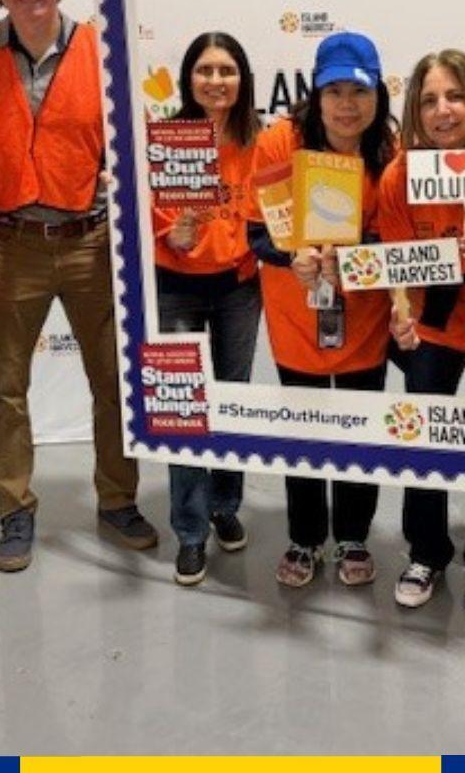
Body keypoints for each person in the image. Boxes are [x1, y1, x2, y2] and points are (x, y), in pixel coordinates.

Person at [0, 0, 156, 573]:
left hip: (92, 241)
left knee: (112, 382)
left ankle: (118, 500)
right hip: (8, 244)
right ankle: (15, 511)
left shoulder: (104, 46)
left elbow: (139, 129)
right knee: (6, 387)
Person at [248, 31, 396, 588]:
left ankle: (354, 533)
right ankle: (305, 536)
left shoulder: (388, 150)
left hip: (364, 322)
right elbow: (256, 233)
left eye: (358, 92)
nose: (346, 105)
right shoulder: (279, 143)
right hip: (297, 320)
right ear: (315, 93)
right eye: (333, 91)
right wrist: (293, 257)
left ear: (378, 94)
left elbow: (394, 243)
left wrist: (354, 260)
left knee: (359, 429)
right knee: (304, 430)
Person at [380, 50, 465, 615]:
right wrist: (399, 313)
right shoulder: (400, 174)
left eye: (456, 96)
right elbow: (394, 258)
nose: (444, 110)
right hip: (435, 327)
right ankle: (427, 551)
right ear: (415, 108)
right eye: (431, 99)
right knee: (426, 432)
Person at [153, 32, 263, 586]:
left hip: (239, 288)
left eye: (227, 70)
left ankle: (225, 503)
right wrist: (171, 234)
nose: (216, 81)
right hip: (176, 286)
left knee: (234, 397)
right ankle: (190, 531)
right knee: (185, 409)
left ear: (242, 79)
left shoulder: (261, 139)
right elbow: (145, 213)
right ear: (188, 78)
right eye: (205, 70)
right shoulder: (168, 140)